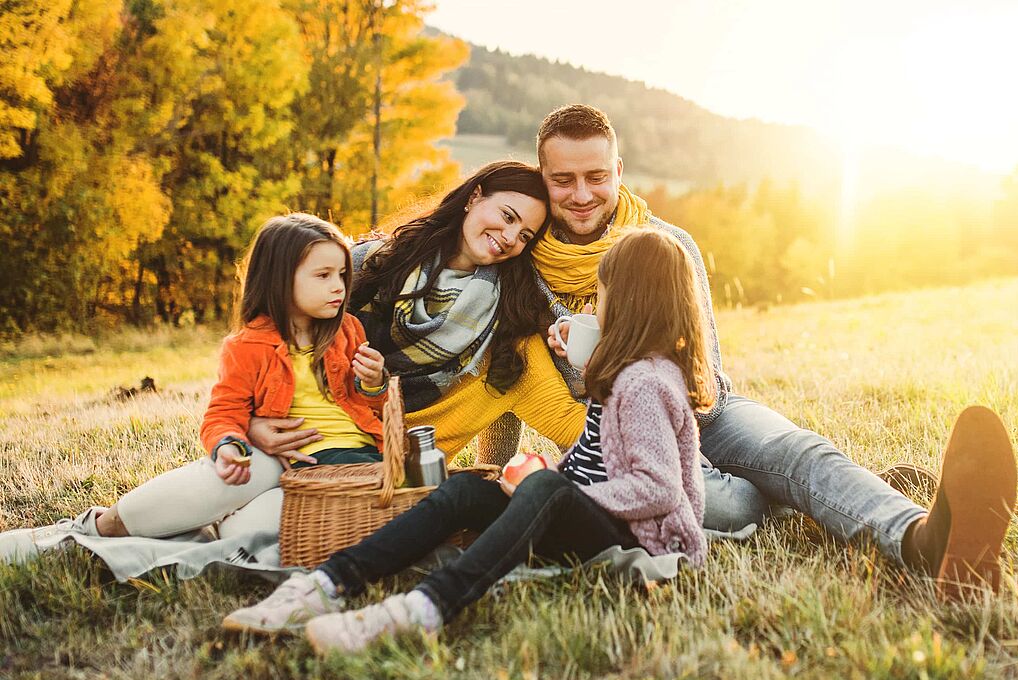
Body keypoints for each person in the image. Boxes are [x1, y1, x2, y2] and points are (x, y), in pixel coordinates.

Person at [533, 105, 1018, 600]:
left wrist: (626, 367)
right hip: (624, 447)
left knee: (798, 451)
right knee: (736, 506)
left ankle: (923, 539)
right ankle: (829, 494)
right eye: (563, 180)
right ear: (543, 178)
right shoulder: (526, 270)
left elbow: (704, 371)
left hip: (707, 412)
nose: (581, 195)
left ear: (617, 171)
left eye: (595, 176)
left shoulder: (670, 245)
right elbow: (506, 381)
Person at [222, 229, 713, 649]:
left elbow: (658, 489)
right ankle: (326, 584)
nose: (595, 304)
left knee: (542, 491)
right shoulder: (626, 372)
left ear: (628, 301)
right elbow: (597, 459)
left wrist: (555, 492)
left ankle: (423, 608)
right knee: (462, 491)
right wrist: (550, 477)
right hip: (597, 517)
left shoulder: (645, 383)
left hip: (647, 543)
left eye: (601, 293)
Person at [0, 214, 389, 559]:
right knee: (232, 475)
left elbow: (367, 407)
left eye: (341, 274)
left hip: (343, 463)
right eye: (322, 276)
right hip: (280, 462)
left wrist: (374, 384)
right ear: (278, 278)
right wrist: (228, 446)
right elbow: (224, 412)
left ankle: (135, 542)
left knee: (237, 536)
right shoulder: (248, 345)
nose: (338, 286)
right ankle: (92, 530)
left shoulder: (347, 331)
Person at [242, 161, 587, 468]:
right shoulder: (375, 262)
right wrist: (250, 421)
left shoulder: (510, 339)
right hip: (300, 437)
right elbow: (268, 334)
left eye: (525, 235)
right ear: (474, 197)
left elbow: (572, 423)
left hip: (386, 482)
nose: (510, 237)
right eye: (507, 216)